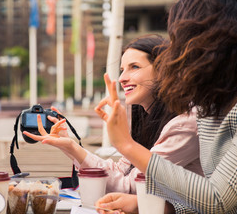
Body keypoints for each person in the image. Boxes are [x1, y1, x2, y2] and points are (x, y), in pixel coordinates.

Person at [95, 0, 237, 213]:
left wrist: (127, 145)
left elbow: (217, 200)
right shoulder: (209, 101)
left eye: (181, 40)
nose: (174, 52)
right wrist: (156, 206)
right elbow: (207, 196)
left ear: (213, 45)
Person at [23, 35, 202, 195]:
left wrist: (122, 140)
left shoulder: (183, 124)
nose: (122, 78)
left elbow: (129, 188)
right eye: (122, 69)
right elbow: (121, 170)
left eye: (134, 67)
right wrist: (69, 145)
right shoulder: (151, 119)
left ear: (163, 71)